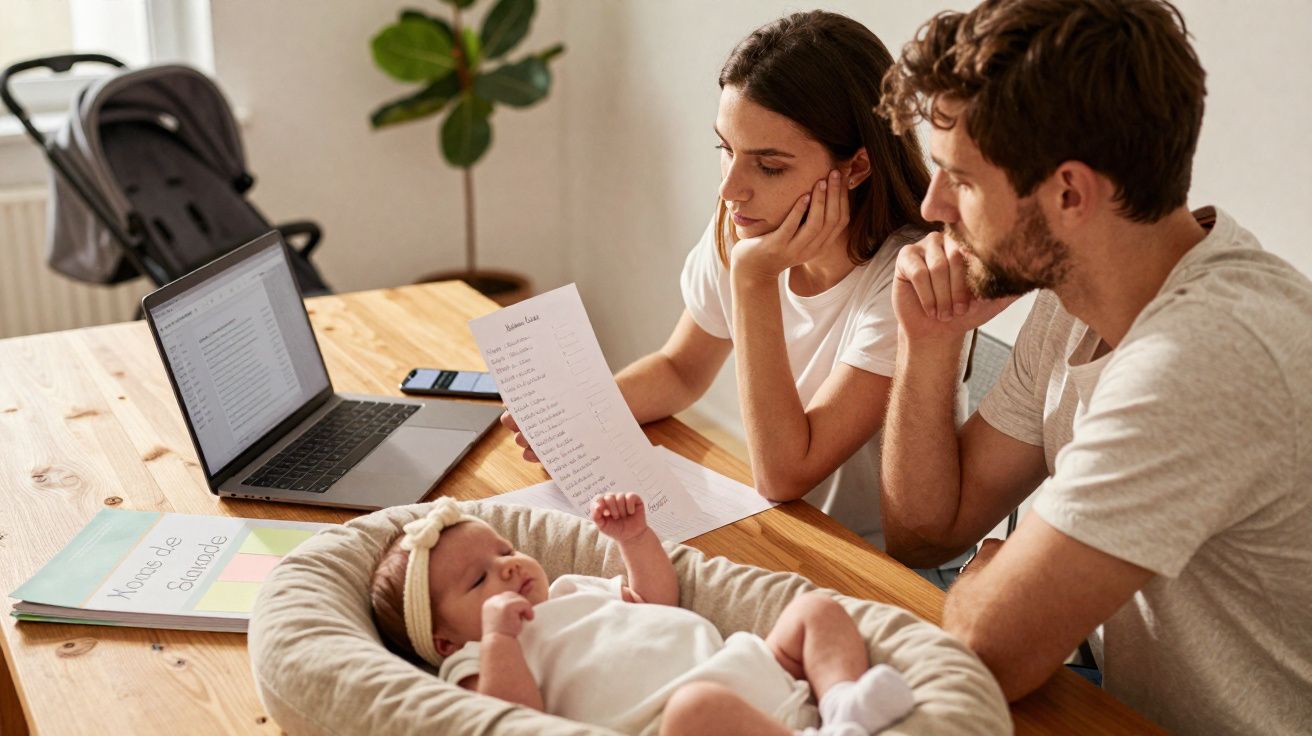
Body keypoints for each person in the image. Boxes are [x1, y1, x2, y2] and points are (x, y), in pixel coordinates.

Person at [874, 0, 1312, 733]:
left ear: (1069, 194)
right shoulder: (1075, 301)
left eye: (961, 180)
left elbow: (988, 645)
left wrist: (996, 581)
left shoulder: (1207, 355)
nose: (932, 205)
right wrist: (930, 341)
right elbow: (928, 532)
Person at [504, 11, 957, 559]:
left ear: (856, 167)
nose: (730, 190)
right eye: (725, 149)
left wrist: (753, 278)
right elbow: (680, 369)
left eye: (769, 166)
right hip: (784, 532)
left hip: (872, 561)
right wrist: (583, 419)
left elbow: (785, 474)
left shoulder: (907, 275)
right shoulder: (749, 224)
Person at [369, 496, 915, 736]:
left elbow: (656, 601)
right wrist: (498, 639)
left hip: (756, 666)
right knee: (696, 707)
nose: (508, 568)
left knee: (815, 609)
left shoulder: (571, 587)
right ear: (444, 641)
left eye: (505, 551)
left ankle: (843, 703)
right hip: (686, 722)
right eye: (478, 580)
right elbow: (512, 719)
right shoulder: (476, 660)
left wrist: (635, 541)